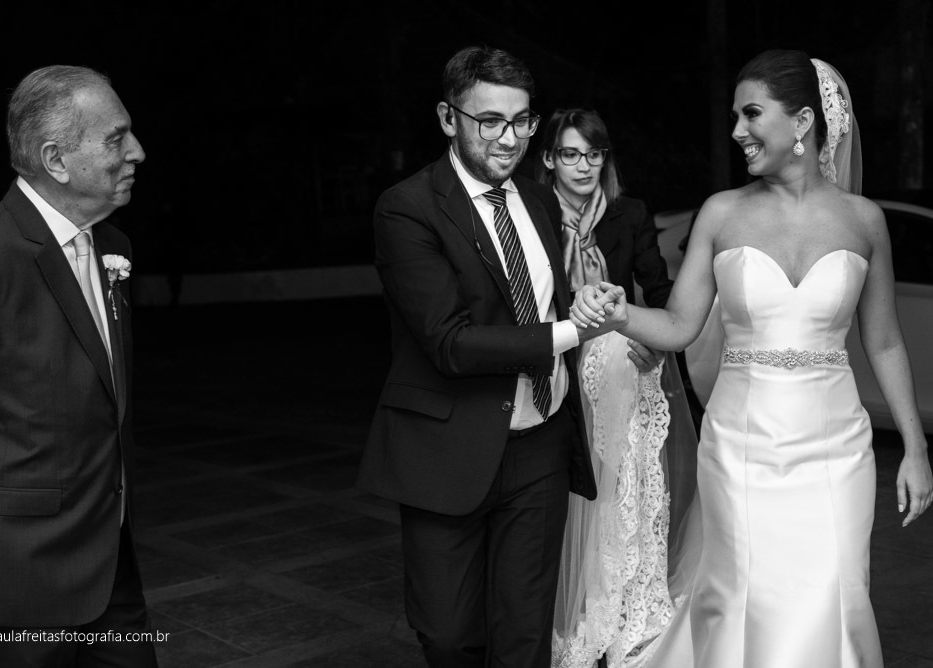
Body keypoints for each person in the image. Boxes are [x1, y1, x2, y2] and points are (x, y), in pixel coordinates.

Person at [573, 49, 933, 667]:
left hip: (836, 449)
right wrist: (618, 313)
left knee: (835, 592)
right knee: (744, 591)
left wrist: (917, 451)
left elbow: (885, 341)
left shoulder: (865, 221)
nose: (737, 131)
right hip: (739, 446)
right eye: (736, 115)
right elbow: (682, 325)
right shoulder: (722, 212)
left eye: (751, 114)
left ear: (802, 124)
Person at [356, 46, 623, 668]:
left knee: (526, 635)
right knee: (449, 635)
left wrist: (577, 296)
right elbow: (449, 341)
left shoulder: (533, 199)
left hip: (541, 444)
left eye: (523, 121)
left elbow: (536, 297)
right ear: (449, 119)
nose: (511, 138)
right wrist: (570, 330)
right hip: (449, 449)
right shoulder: (407, 207)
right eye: (491, 121)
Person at [0, 65, 157, 666]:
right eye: (116, 138)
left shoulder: (114, 246)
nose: (137, 150)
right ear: (56, 160)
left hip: (109, 564)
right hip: (12, 580)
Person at [538, 109, 700, 668]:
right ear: (549, 159)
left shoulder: (629, 213)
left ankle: (627, 601)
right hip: (556, 368)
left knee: (624, 488)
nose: (584, 166)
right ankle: (577, 605)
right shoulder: (533, 215)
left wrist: (656, 341)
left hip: (620, 368)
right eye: (570, 154)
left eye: (594, 154)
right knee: (567, 491)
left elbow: (658, 290)